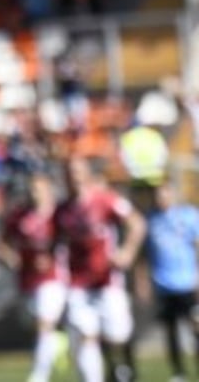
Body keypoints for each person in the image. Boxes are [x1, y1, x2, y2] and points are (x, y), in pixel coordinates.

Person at [55, 158, 146, 382]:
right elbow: (53, 241)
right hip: (78, 284)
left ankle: (121, 368)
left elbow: (137, 223)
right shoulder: (62, 210)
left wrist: (127, 251)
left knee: (118, 334)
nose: (74, 177)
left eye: (77, 171)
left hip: (107, 281)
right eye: (69, 172)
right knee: (86, 335)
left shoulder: (106, 200)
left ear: (86, 174)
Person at [0, 169, 68, 382]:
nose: (34, 193)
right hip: (26, 278)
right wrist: (9, 258)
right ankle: (58, 342)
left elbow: (70, 240)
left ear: (48, 191)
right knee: (33, 323)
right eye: (31, 189)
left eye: (38, 189)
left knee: (44, 322)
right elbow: (0, 245)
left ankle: (39, 376)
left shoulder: (58, 215)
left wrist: (52, 255)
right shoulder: (18, 216)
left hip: (53, 278)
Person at [145, 180, 199, 382]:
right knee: (171, 331)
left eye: (165, 193)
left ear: (173, 194)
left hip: (189, 284)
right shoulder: (151, 220)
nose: (161, 198)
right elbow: (147, 254)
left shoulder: (188, 215)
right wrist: (145, 281)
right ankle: (179, 373)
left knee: (196, 328)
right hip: (164, 285)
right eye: (158, 194)